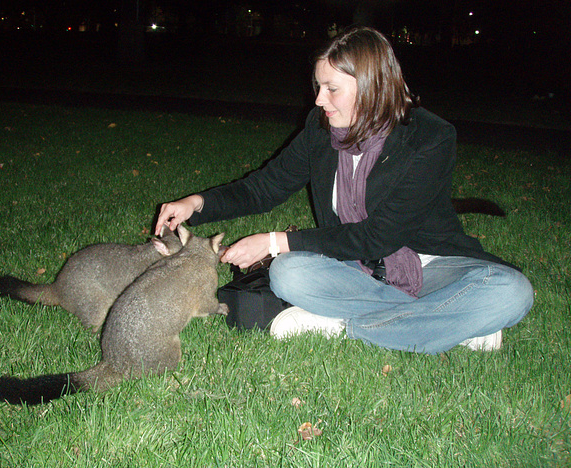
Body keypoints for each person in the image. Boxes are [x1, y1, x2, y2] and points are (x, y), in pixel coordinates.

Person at [155, 27, 534, 354]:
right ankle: (450, 324)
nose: (319, 100)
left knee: (511, 291)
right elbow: (265, 187)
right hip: (355, 270)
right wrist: (197, 203)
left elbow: (380, 236)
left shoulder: (429, 139)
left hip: (428, 263)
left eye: (332, 89)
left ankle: (343, 328)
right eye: (318, 86)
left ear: (370, 86)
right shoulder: (321, 129)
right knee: (289, 274)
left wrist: (275, 241)